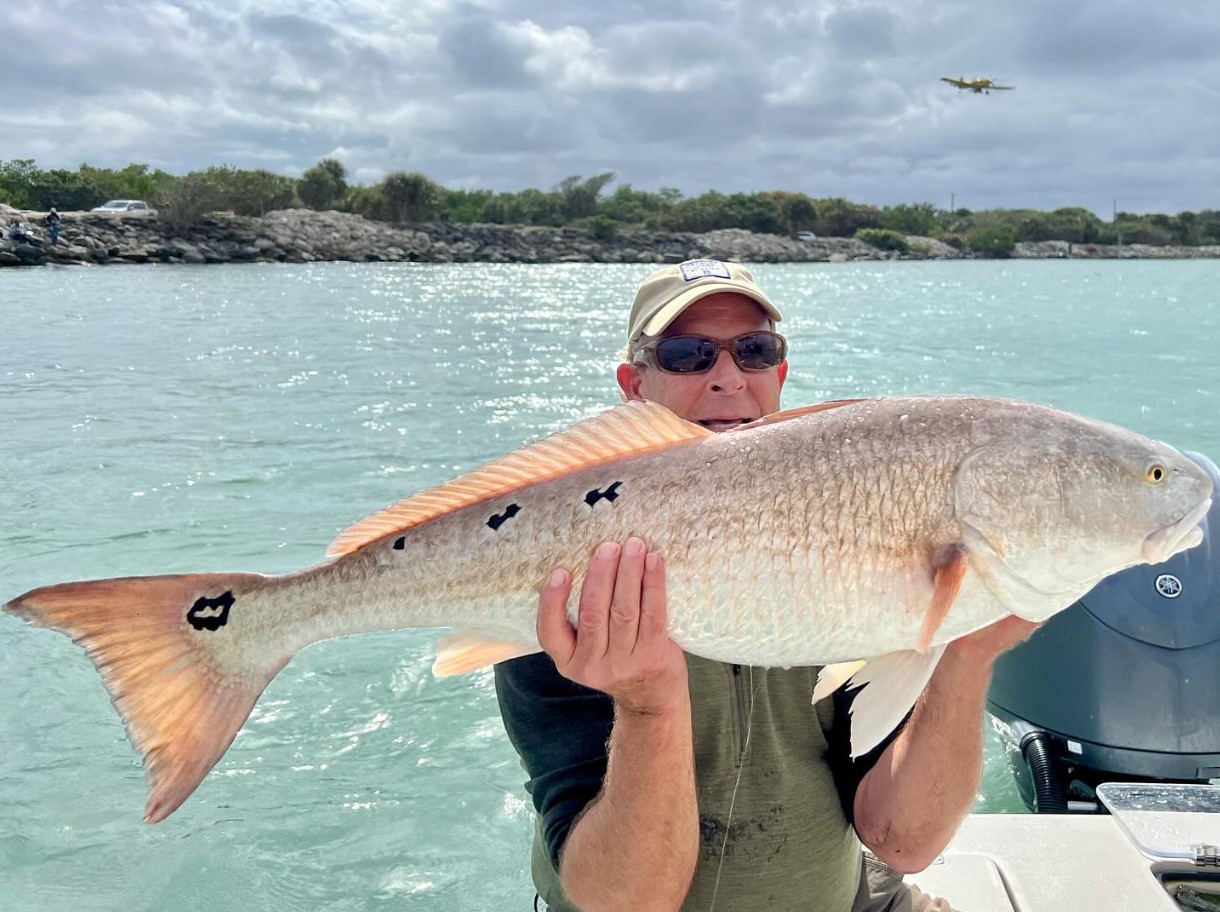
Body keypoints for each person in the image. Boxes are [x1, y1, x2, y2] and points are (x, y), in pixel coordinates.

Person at [495, 259, 1037, 912]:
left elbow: (903, 840)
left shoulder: (852, 536)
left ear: (780, 375)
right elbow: (625, 903)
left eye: (754, 351)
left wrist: (968, 650)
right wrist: (647, 705)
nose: (728, 377)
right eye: (688, 354)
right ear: (634, 387)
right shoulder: (560, 570)